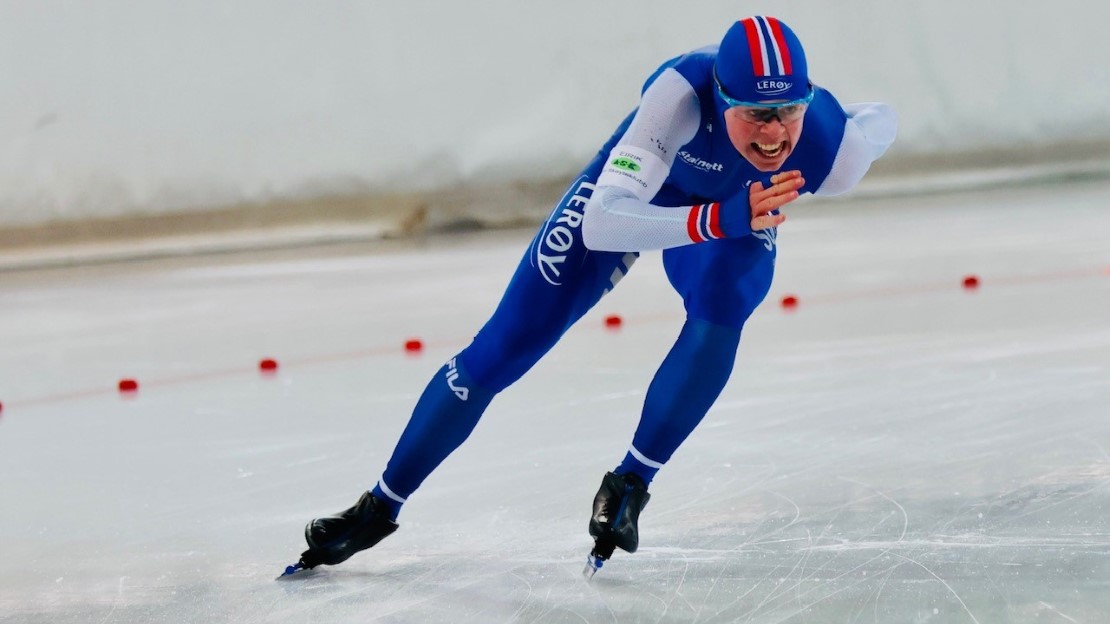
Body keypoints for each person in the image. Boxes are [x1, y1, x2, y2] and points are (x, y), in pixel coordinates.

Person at [287, 15, 897, 576]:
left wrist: (737, 212)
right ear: (720, 97)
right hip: (648, 202)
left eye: (788, 111)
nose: (774, 135)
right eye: (755, 116)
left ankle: (630, 485)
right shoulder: (679, 96)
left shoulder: (831, 152)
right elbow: (603, 223)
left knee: (728, 297)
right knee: (503, 348)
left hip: (733, 218)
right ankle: (379, 506)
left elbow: (880, 121)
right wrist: (717, 218)